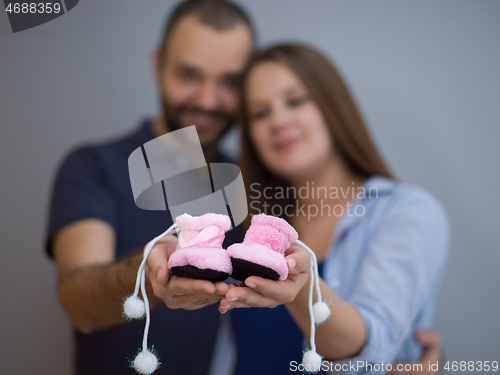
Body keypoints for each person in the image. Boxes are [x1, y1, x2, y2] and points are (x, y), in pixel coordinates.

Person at [45, 0, 443, 373]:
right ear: (158, 65)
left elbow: (372, 335)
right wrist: (150, 271)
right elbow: (80, 303)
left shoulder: (255, 189)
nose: (207, 99)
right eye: (189, 75)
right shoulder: (98, 166)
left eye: (230, 83)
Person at [214, 43, 449, 374]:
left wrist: (302, 284)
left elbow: (375, 349)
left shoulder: (408, 213)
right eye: (260, 113)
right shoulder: (245, 228)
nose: (279, 121)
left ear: (332, 106)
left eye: (295, 100)